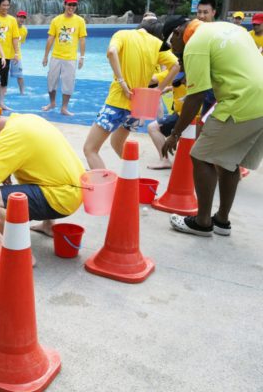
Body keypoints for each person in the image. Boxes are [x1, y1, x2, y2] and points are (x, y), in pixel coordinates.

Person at [161, 18, 263, 237]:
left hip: (241, 101)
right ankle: (221, 221)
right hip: (259, 102)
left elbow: (196, 96)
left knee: (200, 156)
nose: (172, 51)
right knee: (229, 161)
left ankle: (202, 222)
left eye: (171, 44)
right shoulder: (231, 28)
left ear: (179, 33)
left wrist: (175, 134)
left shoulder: (195, 44)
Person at [0, 108, 85, 237]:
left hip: (62, 198)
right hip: (76, 188)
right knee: (40, 173)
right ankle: (48, 226)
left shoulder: (10, 137)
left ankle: (20, 250)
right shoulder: (27, 119)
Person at [82, 18, 180, 169]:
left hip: (117, 103)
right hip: (137, 108)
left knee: (90, 149)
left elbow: (111, 51)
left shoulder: (123, 34)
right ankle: (132, 179)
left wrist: (121, 81)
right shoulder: (156, 44)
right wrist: (158, 89)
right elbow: (175, 66)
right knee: (117, 144)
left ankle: (105, 187)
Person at [41, 0, 86, 116]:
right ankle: (52, 103)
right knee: (51, 81)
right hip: (56, 56)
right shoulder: (56, 20)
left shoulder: (80, 21)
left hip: (70, 58)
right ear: (64, 4)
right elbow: (50, 38)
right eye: (69, 4)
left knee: (68, 83)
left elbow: (82, 39)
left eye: (74, 5)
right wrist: (45, 56)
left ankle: (64, 108)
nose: (71, 7)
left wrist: (82, 57)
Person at [146, 71, 186, 170]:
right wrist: (169, 88)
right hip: (202, 113)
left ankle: (164, 160)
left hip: (186, 114)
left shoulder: (174, 69)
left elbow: (151, 80)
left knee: (153, 127)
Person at [9, 10, 27, 95]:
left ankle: (22, 92)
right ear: (17, 17)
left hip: (16, 55)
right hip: (6, 54)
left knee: (20, 75)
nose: (22, 19)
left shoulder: (24, 30)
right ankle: (1, 91)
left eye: (23, 17)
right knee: (3, 75)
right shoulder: (11, 27)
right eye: (20, 17)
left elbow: (21, 42)